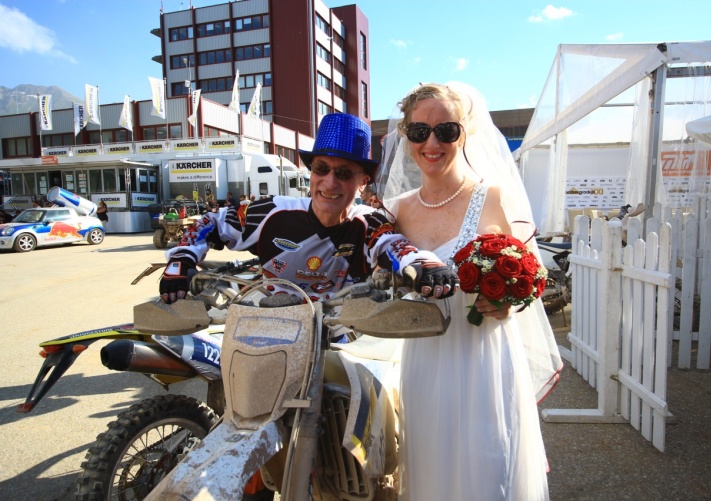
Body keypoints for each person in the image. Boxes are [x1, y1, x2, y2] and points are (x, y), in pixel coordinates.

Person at [378, 82, 563, 500]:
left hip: (485, 359)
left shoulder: (494, 198)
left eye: (446, 130)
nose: (432, 143)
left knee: (488, 464)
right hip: (425, 358)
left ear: (465, 133)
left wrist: (506, 303)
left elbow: (532, 278)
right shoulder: (398, 211)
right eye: (419, 131)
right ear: (407, 138)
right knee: (431, 466)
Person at [159, 112, 459, 307]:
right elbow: (212, 222)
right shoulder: (272, 211)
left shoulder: (368, 222)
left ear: (362, 182)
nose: (329, 182)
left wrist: (424, 264)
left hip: (340, 334)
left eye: (343, 173)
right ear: (310, 173)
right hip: (264, 321)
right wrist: (181, 261)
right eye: (321, 168)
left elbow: (395, 245)